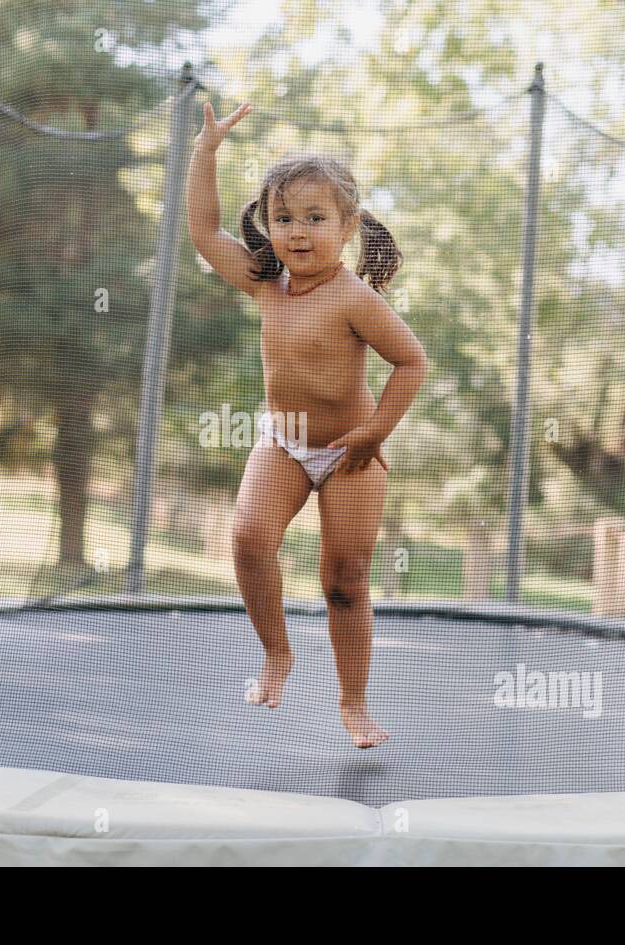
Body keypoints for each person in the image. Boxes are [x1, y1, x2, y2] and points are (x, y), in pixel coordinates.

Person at [185, 101, 428, 748]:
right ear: (267, 225)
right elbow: (205, 234)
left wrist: (375, 433)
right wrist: (205, 153)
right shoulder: (269, 283)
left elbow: (411, 363)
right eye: (283, 218)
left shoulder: (355, 298)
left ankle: (353, 702)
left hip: (352, 454)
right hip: (284, 442)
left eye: (315, 219)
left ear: (347, 226)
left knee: (344, 579)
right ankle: (277, 653)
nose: (297, 232)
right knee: (246, 536)